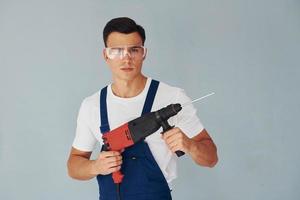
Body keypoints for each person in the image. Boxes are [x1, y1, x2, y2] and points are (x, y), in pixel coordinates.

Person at [67, 17, 218, 200]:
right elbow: (73, 166)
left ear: (144, 53)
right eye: (117, 51)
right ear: (106, 55)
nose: (126, 58)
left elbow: (211, 159)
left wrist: (189, 145)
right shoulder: (92, 105)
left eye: (134, 50)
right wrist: (95, 167)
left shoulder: (172, 97)